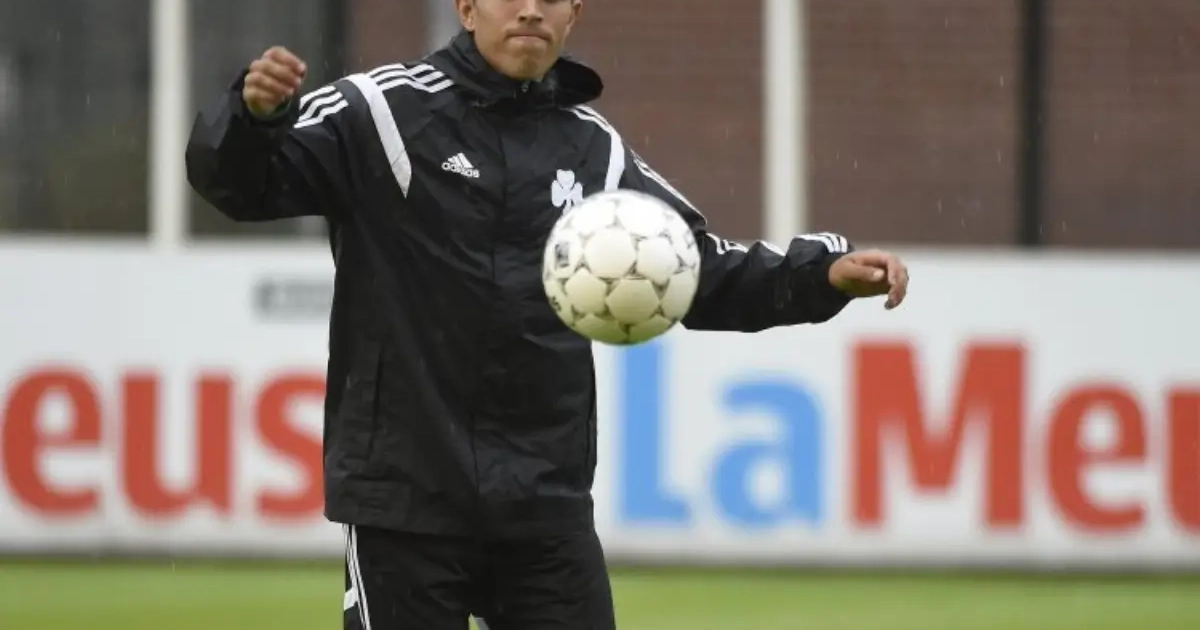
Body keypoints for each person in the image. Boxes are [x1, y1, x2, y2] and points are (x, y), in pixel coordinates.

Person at [186, 0, 910, 628]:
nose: (531, 8)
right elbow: (242, 186)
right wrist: (254, 119)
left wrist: (820, 276)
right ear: (466, 7)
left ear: (574, 15)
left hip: (542, 506)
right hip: (404, 502)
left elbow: (698, 269)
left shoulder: (594, 151)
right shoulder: (379, 113)